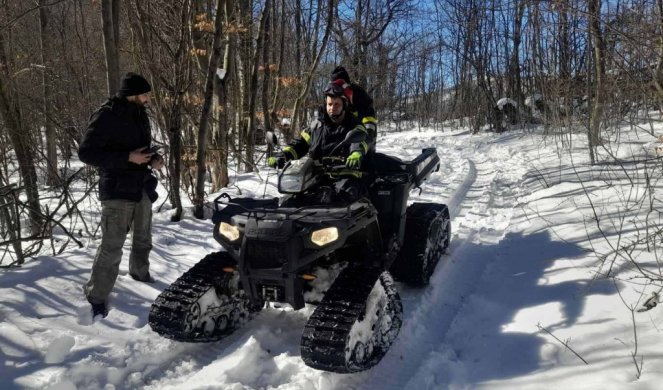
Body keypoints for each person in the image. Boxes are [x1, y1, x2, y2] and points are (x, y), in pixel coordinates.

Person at [78, 72, 164, 318]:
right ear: (133, 94)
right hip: (117, 189)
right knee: (112, 246)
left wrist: (152, 159)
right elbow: (86, 153)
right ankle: (96, 296)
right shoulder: (107, 115)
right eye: (145, 94)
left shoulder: (139, 113)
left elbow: (140, 148)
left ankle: (141, 275)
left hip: (141, 186)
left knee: (143, 238)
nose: (148, 99)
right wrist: (127, 157)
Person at [269, 81, 372, 170]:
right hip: (315, 178)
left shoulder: (353, 124)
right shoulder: (316, 126)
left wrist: (356, 152)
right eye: (330, 104)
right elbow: (300, 144)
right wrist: (283, 156)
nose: (332, 108)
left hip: (345, 176)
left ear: (344, 105)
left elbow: (361, 139)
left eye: (337, 104)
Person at [329, 66, 377, 150]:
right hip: (335, 147)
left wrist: (362, 147)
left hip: (360, 141)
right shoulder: (328, 98)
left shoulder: (360, 96)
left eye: (341, 86)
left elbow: (370, 127)